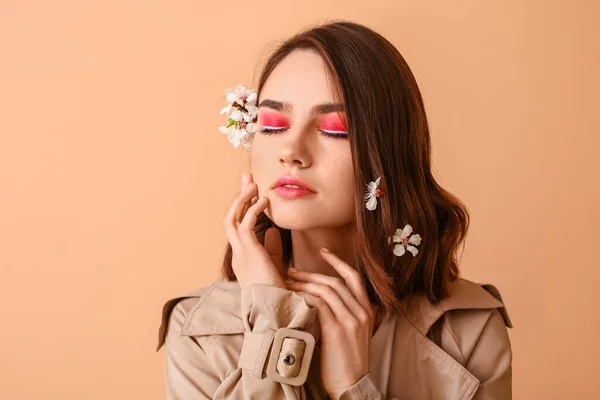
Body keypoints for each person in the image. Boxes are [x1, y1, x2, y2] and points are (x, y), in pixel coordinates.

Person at [156, 20, 513, 400]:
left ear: (389, 157)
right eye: (273, 124)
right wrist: (270, 326)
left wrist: (352, 388)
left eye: (334, 129)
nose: (290, 150)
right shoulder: (199, 331)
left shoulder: (466, 333)